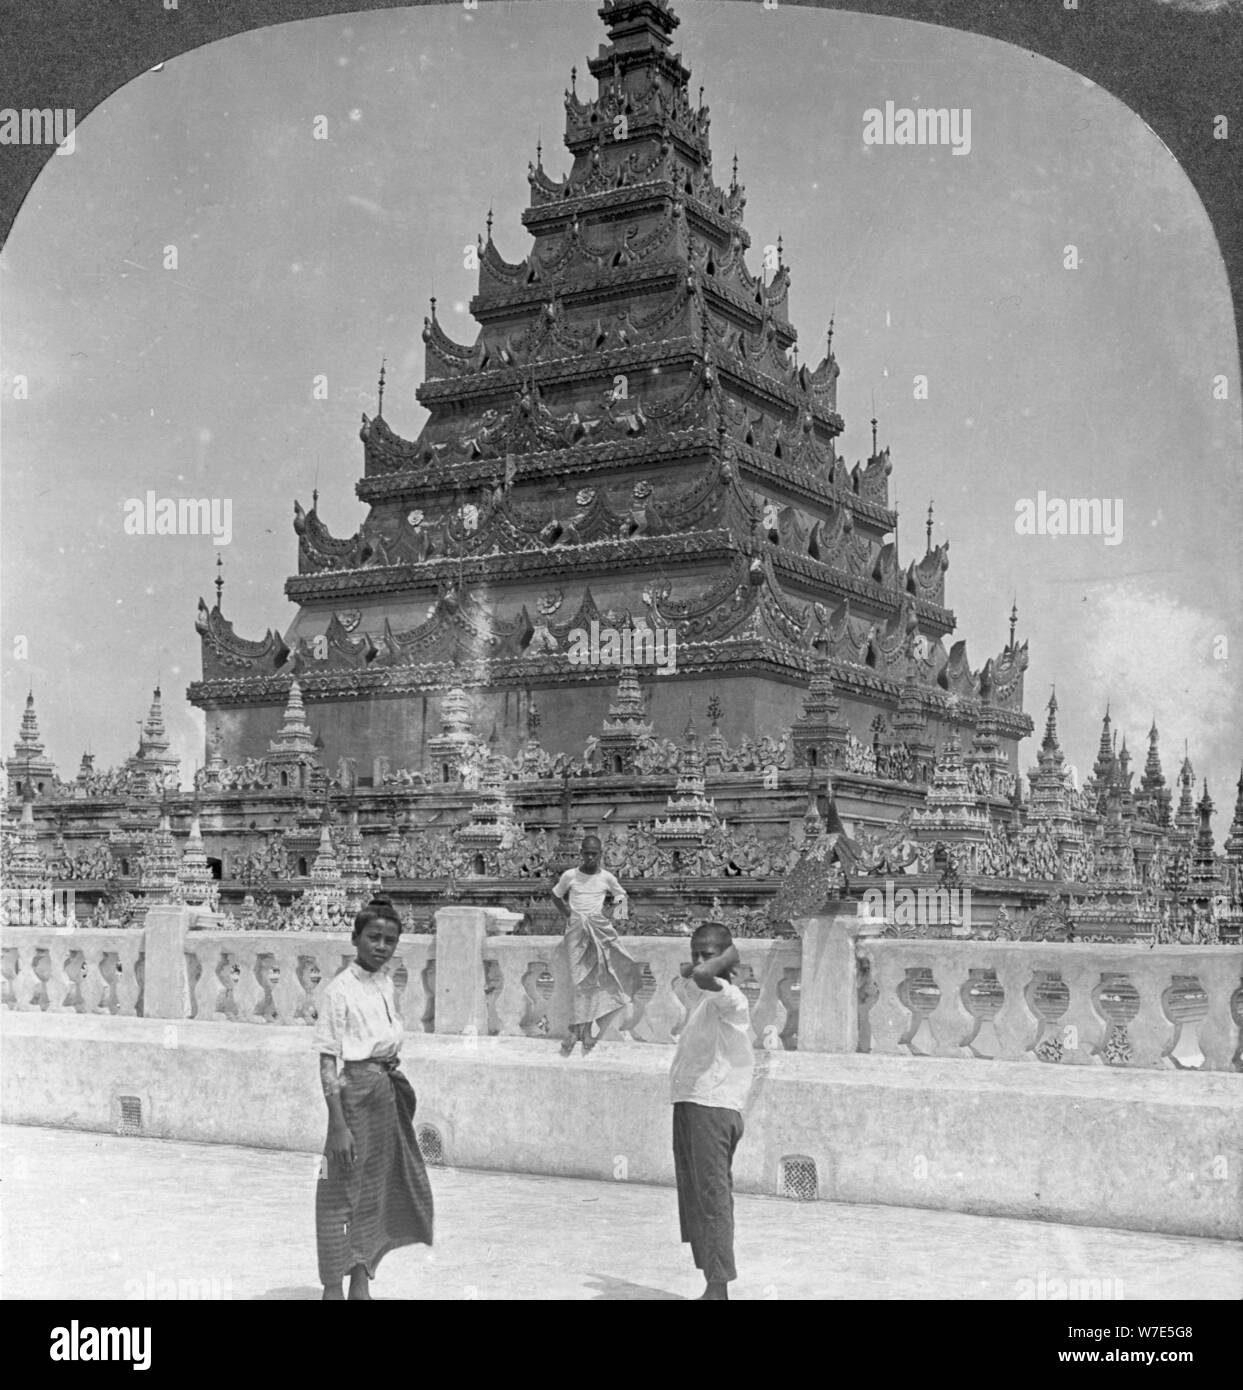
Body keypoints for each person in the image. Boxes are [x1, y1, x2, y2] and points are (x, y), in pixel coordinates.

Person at [314, 896, 434, 1300]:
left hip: (384, 1094)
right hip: (352, 1097)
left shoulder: (384, 982)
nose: (381, 946)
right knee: (338, 1192)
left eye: (389, 940)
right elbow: (329, 1062)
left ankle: (361, 1280)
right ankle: (333, 1286)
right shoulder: (338, 991)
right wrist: (337, 1126)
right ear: (355, 938)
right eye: (373, 938)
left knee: (374, 1190)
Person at [670, 922, 753, 1301]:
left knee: (713, 1196)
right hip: (690, 1101)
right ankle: (711, 1285)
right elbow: (686, 977)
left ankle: (718, 1289)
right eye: (696, 952)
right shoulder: (699, 997)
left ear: (726, 958)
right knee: (695, 1198)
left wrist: (724, 959)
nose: (701, 961)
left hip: (714, 1107)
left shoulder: (731, 999)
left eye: (710, 952)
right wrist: (699, 966)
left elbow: (703, 975)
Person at [550, 835, 641, 1056]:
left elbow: (621, 895)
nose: (590, 857)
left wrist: (617, 919)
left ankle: (586, 1029)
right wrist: (569, 915)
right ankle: (575, 1030)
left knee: (594, 981)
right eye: (587, 853)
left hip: (598, 928)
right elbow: (555, 895)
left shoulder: (607, 877)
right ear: (581, 853)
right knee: (577, 981)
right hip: (575, 932)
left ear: (600, 855)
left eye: (594, 853)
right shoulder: (570, 875)